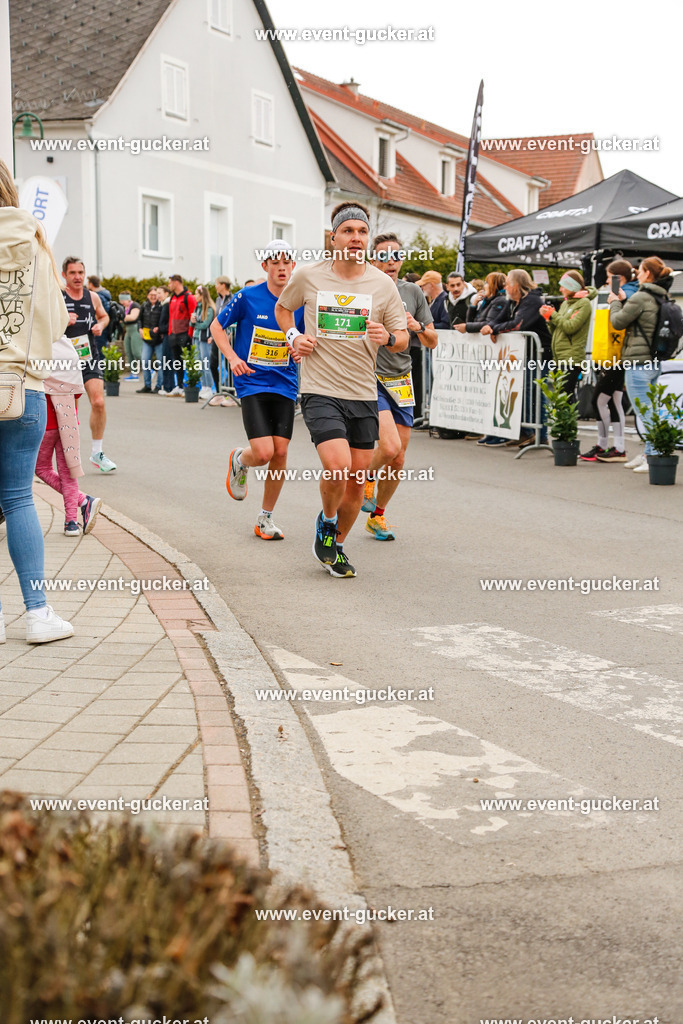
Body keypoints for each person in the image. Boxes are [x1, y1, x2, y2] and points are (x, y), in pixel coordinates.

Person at [275, 201, 408, 578]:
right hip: (320, 388)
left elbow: (402, 340)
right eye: (347, 231)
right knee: (337, 467)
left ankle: (336, 546)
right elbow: (285, 309)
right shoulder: (309, 276)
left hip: (363, 392)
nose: (355, 238)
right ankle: (327, 522)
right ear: (333, 238)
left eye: (361, 232)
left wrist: (389, 336)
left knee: (356, 481)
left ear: (367, 239)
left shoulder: (383, 285)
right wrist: (293, 336)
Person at [0, 159, 74, 642]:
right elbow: (60, 320)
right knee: (18, 498)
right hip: (21, 387)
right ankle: (37, 613)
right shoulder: (35, 243)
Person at [212, 241, 304, 540]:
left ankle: (265, 518)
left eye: (286, 262)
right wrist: (233, 357)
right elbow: (216, 327)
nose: (281, 267)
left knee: (281, 452)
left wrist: (302, 348)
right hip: (251, 380)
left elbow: (306, 337)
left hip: (285, 382)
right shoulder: (248, 297)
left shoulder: (301, 301)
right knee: (263, 452)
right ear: (264, 267)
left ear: (293, 266)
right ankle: (241, 459)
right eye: (274, 262)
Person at [362, 232, 437, 539]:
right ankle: (365, 475)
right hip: (369, 376)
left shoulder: (413, 293)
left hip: (401, 378)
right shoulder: (362, 288)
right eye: (383, 256)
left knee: (399, 456)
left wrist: (416, 326)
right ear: (372, 260)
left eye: (395, 256)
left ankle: (377, 516)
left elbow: (433, 340)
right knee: (389, 446)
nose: (390, 261)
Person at [608, 255, 675, 473]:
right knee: (649, 409)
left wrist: (615, 303)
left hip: (638, 362)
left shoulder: (641, 297)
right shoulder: (660, 296)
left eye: (640, 270)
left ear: (647, 273)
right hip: (654, 360)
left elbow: (618, 322)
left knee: (644, 411)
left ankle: (654, 454)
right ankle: (649, 452)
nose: (636, 273)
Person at [35, 334, 102, 536]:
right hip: (69, 422)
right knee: (68, 472)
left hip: (45, 422)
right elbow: (78, 392)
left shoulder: (39, 348)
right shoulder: (69, 350)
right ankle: (71, 522)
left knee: (41, 467)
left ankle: (83, 500)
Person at [481, 268, 552, 448]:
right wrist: (492, 327)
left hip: (537, 354)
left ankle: (539, 434)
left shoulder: (532, 301)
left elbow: (519, 324)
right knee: (521, 393)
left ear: (516, 285)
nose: (505, 288)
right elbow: (497, 319)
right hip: (521, 354)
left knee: (534, 393)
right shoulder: (513, 301)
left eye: (507, 284)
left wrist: (495, 329)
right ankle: (524, 432)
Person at [61, 257, 114, 472]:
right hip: (63, 360)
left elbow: (104, 316)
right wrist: (62, 321)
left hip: (88, 356)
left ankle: (97, 452)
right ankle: (69, 455)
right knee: (70, 411)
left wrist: (100, 325)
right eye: (72, 273)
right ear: (64, 275)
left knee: (99, 402)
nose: (77, 277)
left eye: (81, 272)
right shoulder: (58, 297)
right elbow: (42, 323)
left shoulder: (92, 297)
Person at [580, 259, 636, 463]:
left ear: (618, 278)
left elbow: (620, 320)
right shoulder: (624, 293)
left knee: (599, 400)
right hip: (616, 353)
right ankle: (615, 447)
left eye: (608, 276)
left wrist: (616, 301)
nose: (605, 280)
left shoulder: (626, 294)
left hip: (617, 355)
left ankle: (607, 445)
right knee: (614, 400)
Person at [540, 270, 597, 396]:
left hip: (572, 359)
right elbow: (557, 330)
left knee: (564, 397)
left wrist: (553, 315)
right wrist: (549, 319)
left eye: (563, 286)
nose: (560, 289)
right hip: (559, 358)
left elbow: (570, 327)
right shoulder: (566, 303)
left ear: (572, 286)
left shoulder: (584, 303)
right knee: (562, 398)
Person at [166, 275, 197, 396]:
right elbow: (171, 316)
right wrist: (170, 332)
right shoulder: (172, 297)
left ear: (176, 283)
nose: (169, 285)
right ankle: (179, 386)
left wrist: (190, 334)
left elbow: (192, 315)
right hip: (174, 334)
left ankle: (190, 385)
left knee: (188, 361)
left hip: (185, 334)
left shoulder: (188, 297)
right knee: (177, 361)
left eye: (170, 283)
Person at [209, 276, 233, 405]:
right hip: (217, 337)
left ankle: (231, 395)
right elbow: (216, 319)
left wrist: (229, 334)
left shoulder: (233, 298)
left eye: (217, 284)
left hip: (229, 337)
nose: (216, 286)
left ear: (224, 285)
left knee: (229, 366)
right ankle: (219, 392)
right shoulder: (218, 299)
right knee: (213, 364)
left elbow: (234, 318)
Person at [191, 285, 216, 401]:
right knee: (198, 362)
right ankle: (203, 386)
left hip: (205, 338)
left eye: (196, 293)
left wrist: (195, 324)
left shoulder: (209, 309)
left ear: (202, 295)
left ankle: (210, 388)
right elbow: (192, 324)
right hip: (196, 338)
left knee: (205, 363)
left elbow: (205, 324)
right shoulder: (197, 307)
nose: (195, 296)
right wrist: (192, 322)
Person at [136, 287, 162, 393]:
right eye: (151, 295)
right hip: (147, 339)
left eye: (155, 295)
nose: (153, 297)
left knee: (161, 363)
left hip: (158, 340)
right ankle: (147, 385)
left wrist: (160, 329)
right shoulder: (144, 306)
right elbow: (139, 320)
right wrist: (140, 329)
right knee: (145, 361)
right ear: (147, 296)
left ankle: (159, 386)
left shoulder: (161, 306)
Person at [156, 285, 174, 395]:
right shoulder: (163, 305)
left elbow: (168, 322)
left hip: (169, 335)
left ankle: (169, 387)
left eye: (160, 293)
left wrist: (160, 329)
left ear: (166, 293)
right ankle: (166, 386)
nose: (158, 295)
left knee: (168, 361)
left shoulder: (168, 304)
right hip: (165, 334)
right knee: (165, 361)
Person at [121, 293, 141, 380]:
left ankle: (150, 369)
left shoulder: (134, 305)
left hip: (135, 329)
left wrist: (122, 317)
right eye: (120, 300)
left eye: (123, 300)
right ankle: (134, 373)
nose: (122, 302)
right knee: (128, 352)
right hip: (128, 330)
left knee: (137, 352)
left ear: (128, 299)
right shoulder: (123, 308)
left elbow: (133, 317)